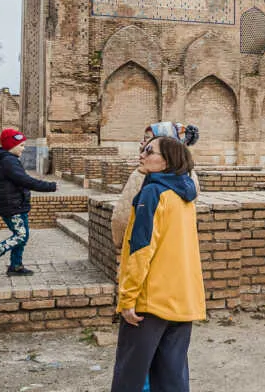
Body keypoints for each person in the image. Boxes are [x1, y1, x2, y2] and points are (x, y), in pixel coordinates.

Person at [111, 135, 205, 392]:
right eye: (142, 148)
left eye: (149, 151)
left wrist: (127, 299)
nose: (142, 154)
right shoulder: (185, 195)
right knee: (171, 378)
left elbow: (140, 250)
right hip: (182, 300)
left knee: (130, 376)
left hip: (149, 304)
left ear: (167, 161)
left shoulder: (153, 192)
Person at [0, 129, 58, 277]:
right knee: (20, 236)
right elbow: (25, 180)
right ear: (11, 146)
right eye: (21, 145)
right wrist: (50, 186)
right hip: (12, 207)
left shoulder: (10, 160)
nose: (24, 148)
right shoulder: (9, 161)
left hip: (17, 205)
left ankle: (16, 266)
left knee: (22, 235)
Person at [113, 123, 200, 251]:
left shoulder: (143, 174)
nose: (142, 143)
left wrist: (121, 241)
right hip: (178, 247)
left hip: (146, 248)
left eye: (148, 140)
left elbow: (122, 218)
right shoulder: (190, 177)